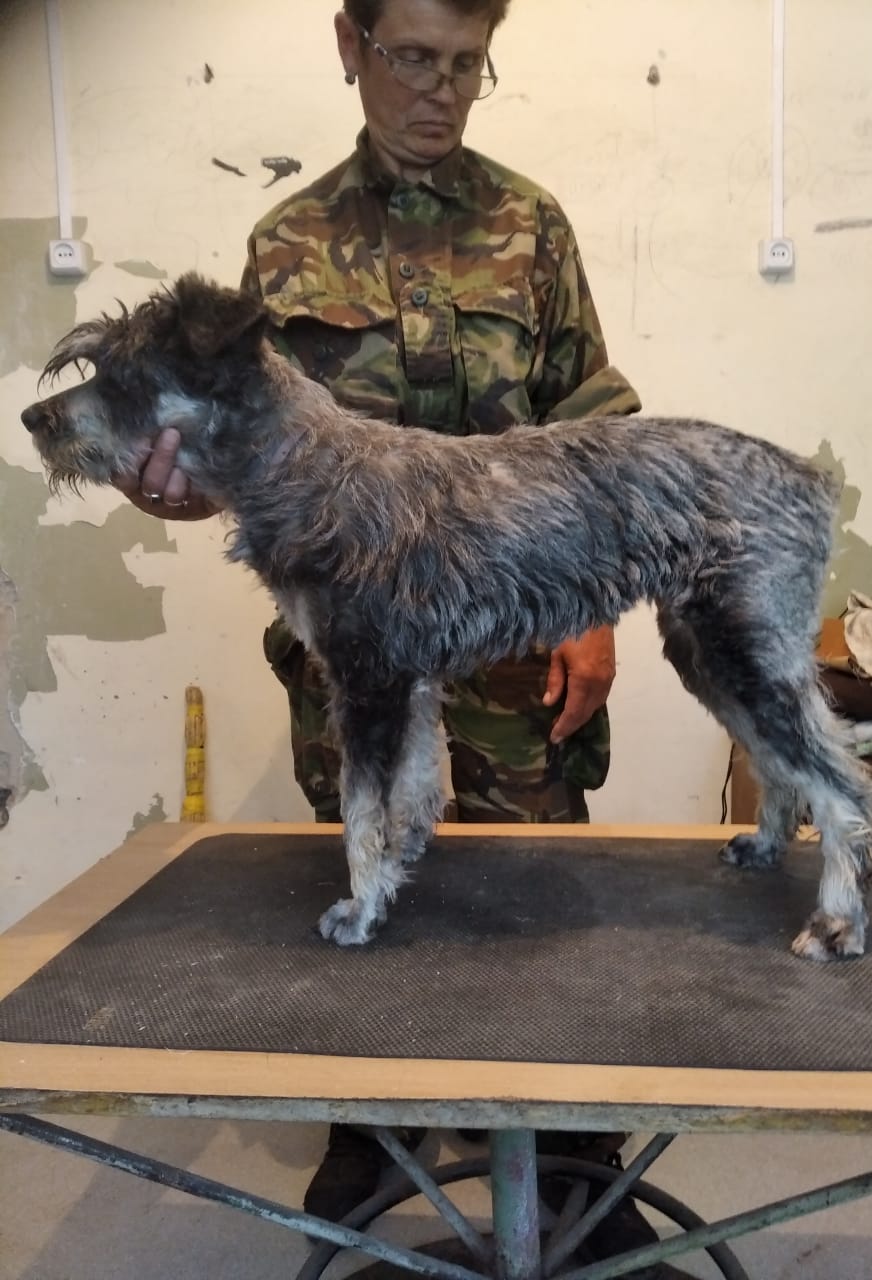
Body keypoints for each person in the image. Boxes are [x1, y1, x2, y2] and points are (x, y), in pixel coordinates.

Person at [118, 2, 692, 1275]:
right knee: (371, 887)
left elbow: (600, 429)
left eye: (467, 64)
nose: (442, 90)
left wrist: (596, 609)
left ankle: (578, 1156)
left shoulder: (534, 226)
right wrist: (173, 487)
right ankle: (375, 1135)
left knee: (538, 903)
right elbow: (251, 444)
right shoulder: (286, 243)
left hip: (517, 639)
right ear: (351, 46)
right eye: (414, 58)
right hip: (362, 654)